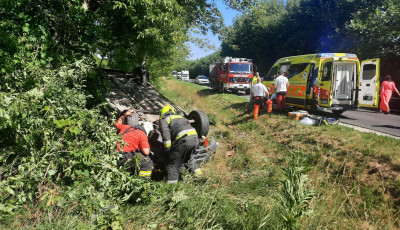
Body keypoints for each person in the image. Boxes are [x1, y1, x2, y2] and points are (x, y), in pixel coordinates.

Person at [159, 105, 202, 184]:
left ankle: (171, 187)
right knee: (189, 159)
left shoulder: (164, 120)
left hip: (183, 140)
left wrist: (168, 150)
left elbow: (166, 135)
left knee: (173, 164)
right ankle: (199, 178)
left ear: (162, 113)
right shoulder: (181, 117)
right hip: (195, 139)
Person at [115, 110, 153, 178]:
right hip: (125, 157)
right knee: (147, 161)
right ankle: (143, 180)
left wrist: (124, 115)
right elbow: (146, 152)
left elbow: (116, 124)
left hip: (115, 155)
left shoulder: (126, 127)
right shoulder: (142, 134)